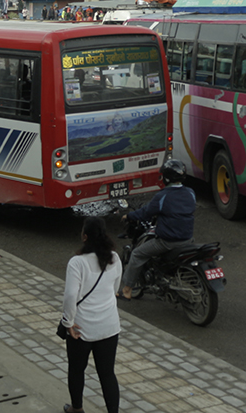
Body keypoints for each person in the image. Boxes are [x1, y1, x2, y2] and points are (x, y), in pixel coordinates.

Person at [61, 216, 123, 413]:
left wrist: (68, 322)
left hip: (81, 327)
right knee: (107, 374)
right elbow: (115, 288)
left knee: (77, 370)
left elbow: (71, 295)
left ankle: (77, 409)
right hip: (109, 326)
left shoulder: (77, 263)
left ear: (85, 236)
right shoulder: (114, 258)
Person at [121, 159, 196, 298]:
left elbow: (145, 213)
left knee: (137, 254)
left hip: (167, 242)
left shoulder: (163, 196)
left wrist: (129, 216)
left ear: (166, 178)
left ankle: (127, 290)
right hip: (188, 239)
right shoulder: (190, 193)